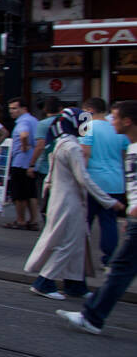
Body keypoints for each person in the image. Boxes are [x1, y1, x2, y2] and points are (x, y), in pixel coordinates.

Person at [26, 107, 122, 300]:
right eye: (83, 123)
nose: (86, 127)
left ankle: (75, 284)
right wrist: (109, 202)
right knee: (68, 243)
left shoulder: (61, 143)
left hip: (61, 199)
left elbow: (51, 176)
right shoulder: (73, 147)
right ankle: (44, 282)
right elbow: (83, 178)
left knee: (77, 242)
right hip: (70, 201)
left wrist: (47, 196)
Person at [58, 100, 137, 333]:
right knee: (120, 268)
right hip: (117, 188)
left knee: (120, 268)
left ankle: (92, 316)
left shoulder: (92, 129)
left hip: (100, 187)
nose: (111, 122)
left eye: (115, 117)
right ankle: (92, 316)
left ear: (127, 121)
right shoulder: (129, 146)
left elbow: (86, 153)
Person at [79, 96, 127, 266]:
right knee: (109, 222)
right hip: (115, 181)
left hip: (93, 181)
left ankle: (80, 257)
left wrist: (79, 177)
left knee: (85, 221)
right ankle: (109, 260)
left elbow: (85, 153)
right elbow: (123, 156)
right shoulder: (117, 128)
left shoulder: (86, 125)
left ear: (89, 111)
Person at [5, 97, 42, 230]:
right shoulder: (34, 120)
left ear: (24, 109)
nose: (11, 111)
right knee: (31, 192)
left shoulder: (23, 121)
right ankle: (33, 220)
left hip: (20, 161)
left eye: (15, 108)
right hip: (31, 161)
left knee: (19, 194)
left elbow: (24, 135)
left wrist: (24, 145)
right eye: (10, 109)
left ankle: (20, 220)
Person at [30, 97, 64, 213]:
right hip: (63, 166)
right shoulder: (65, 122)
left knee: (45, 200)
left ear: (45, 109)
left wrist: (32, 164)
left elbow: (40, 146)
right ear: (60, 108)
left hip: (45, 167)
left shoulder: (43, 124)